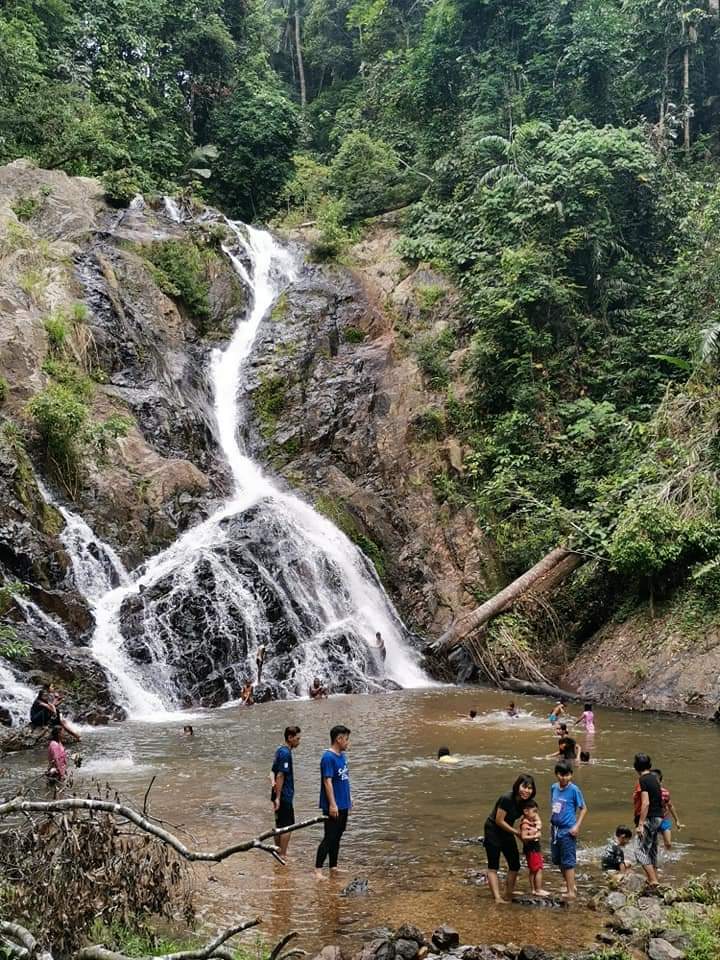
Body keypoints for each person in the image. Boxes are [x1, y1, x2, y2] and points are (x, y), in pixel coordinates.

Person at [483, 774, 536, 903]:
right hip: (493, 830)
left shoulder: (525, 803)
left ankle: (509, 892)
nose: (526, 791)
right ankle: (497, 897)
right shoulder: (507, 798)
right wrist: (517, 833)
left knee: (514, 864)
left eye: (530, 788)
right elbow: (499, 820)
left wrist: (531, 831)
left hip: (507, 831)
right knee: (493, 865)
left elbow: (531, 816)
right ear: (518, 785)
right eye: (524, 787)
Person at [315, 724, 352, 880]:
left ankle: (333, 866)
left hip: (343, 803)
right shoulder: (328, 758)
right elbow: (327, 782)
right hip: (334, 804)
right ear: (339, 739)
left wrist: (350, 798)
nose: (348, 743)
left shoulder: (342, 756)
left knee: (338, 835)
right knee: (329, 836)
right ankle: (317, 869)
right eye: (346, 739)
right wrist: (332, 804)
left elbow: (344, 779)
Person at [550, 760, 587, 900]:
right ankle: (569, 884)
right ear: (556, 774)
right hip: (554, 829)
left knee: (568, 861)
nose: (563, 777)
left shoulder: (574, 790)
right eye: (561, 774)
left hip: (568, 830)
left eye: (566, 775)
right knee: (558, 859)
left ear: (571, 775)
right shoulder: (554, 787)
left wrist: (576, 826)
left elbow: (583, 808)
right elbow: (554, 806)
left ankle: (571, 891)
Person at [633, 754, 662, 889]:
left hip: (649, 818)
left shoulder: (643, 780)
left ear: (636, 767)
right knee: (652, 849)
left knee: (639, 850)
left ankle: (653, 879)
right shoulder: (655, 779)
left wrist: (640, 824)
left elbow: (645, 803)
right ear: (649, 766)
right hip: (658, 817)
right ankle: (654, 877)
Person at [272, 726, 301, 859]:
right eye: (297, 738)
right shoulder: (285, 753)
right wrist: (278, 797)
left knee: (279, 823)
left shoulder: (279, 750)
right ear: (290, 738)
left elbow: (272, 772)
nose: (298, 741)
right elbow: (280, 775)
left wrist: (274, 789)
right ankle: (282, 854)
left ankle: (277, 851)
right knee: (288, 826)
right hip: (284, 794)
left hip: (277, 792)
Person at [519, 799, 549, 896]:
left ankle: (533, 889)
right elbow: (523, 837)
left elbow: (539, 822)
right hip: (532, 849)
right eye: (534, 811)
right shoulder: (525, 824)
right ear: (526, 811)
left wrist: (537, 827)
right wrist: (535, 836)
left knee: (533, 869)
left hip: (532, 848)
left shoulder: (531, 821)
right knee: (538, 869)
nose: (536, 814)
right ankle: (538, 889)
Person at [652, 768, 684, 850]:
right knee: (653, 844)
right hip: (652, 820)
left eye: (656, 781)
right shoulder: (646, 793)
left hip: (664, 819)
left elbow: (670, 806)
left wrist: (677, 821)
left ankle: (666, 859)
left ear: (660, 782)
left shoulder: (665, 793)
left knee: (668, 844)